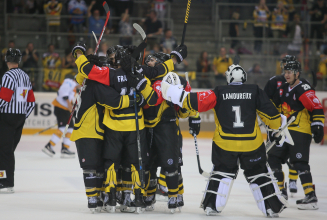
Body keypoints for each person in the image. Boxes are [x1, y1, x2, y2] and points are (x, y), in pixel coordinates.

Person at [159, 65, 289, 217]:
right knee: (259, 173)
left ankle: (212, 205)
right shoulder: (255, 91)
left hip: (225, 144)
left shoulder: (219, 92)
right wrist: (277, 130)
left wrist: (173, 93)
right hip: (252, 144)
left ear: (228, 77)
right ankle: (272, 207)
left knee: (221, 173)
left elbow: (196, 102)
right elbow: (272, 117)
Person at [139, 52, 199, 212]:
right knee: (148, 165)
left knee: (172, 164)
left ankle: (175, 195)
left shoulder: (175, 79)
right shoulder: (144, 79)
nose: (147, 62)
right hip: (147, 128)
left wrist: (194, 116)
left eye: (151, 60)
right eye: (146, 60)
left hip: (168, 127)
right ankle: (149, 195)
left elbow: (188, 102)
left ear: (159, 62)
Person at [269, 61, 324, 210]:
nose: (286, 75)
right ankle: (281, 191)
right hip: (285, 131)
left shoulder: (303, 89)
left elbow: (316, 106)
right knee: (273, 157)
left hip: (300, 130)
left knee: (299, 162)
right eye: (285, 72)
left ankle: (310, 196)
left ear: (297, 74)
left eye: (289, 72)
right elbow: (276, 107)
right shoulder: (283, 88)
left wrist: (318, 125)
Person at [0, 48, 35, 193]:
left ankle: (6, 182)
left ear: (7, 60)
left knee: (4, 151)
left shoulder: (8, 76)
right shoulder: (25, 76)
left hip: (7, 117)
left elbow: (4, 99)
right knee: (7, 151)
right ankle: (5, 180)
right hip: (19, 118)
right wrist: (22, 116)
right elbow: (31, 102)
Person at [42, 76, 79, 158]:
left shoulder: (73, 86)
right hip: (61, 108)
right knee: (63, 128)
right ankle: (49, 146)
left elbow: (69, 99)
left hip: (65, 109)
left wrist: (72, 109)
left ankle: (65, 148)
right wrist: (70, 107)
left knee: (70, 128)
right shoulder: (69, 82)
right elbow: (63, 94)